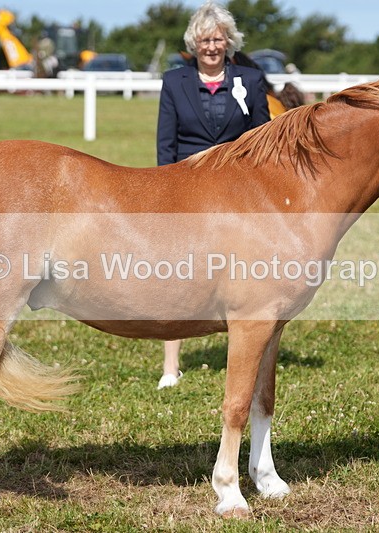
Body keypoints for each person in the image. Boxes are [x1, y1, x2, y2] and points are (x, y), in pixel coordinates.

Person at [156, 1, 270, 389]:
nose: (211, 46)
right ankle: (171, 365)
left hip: (238, 192)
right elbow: (166, 143)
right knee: (180, 274)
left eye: (218, 39)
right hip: (187, 187)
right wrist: (164, 192)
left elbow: (264, 139)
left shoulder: (250, 81)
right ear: (194, 43)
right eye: (205, 40)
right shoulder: (174, 82)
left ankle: (245, 346)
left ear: (229, 42)